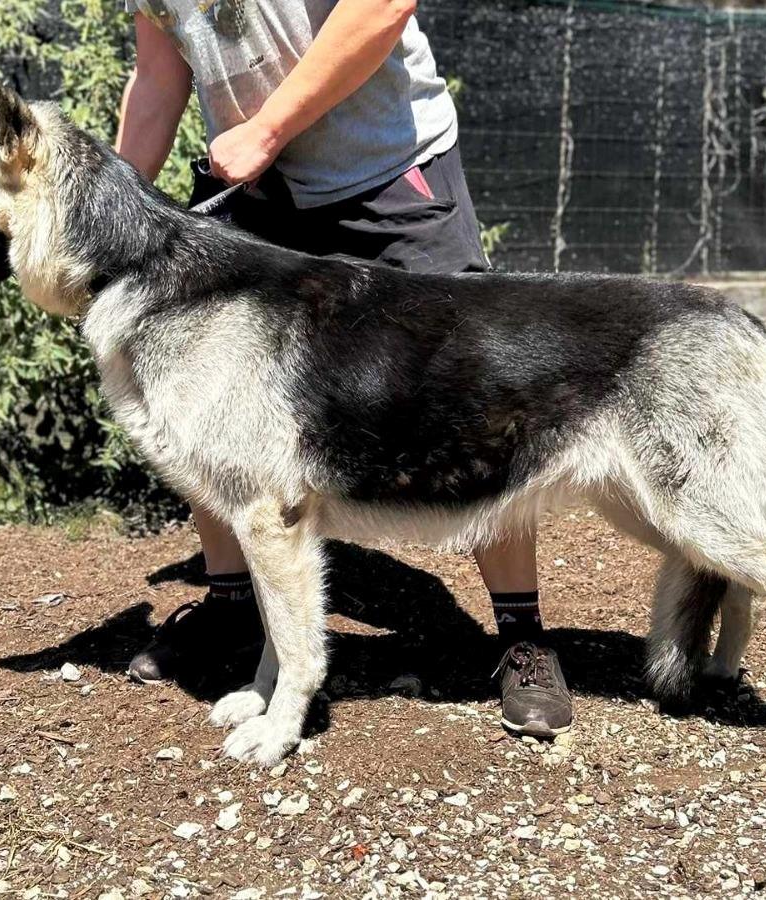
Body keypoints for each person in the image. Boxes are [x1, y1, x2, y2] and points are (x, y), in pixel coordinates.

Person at [115, 0, 572, 737]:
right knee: (207, 399)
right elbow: (158, 75)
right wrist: (108, 231)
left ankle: (521, 635)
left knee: (470, 399)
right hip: (255, 188)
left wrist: (268, 129)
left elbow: (382, 6)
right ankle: (233, 608)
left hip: (384, 166)